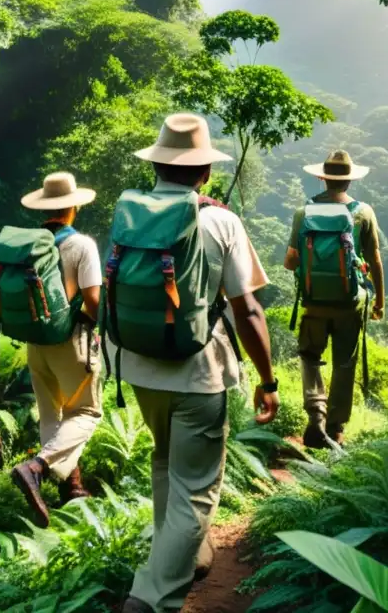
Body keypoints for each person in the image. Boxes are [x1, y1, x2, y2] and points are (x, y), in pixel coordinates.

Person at [113, 113, 278, 613]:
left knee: (165, 461)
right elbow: (247, 308)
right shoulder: (220, 219)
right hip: (198, 374)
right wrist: (267, 380)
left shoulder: (130, 213)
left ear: (158, 166)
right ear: (205, 171)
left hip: (139, 367)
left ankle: (182, 556)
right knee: (196, 491)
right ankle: (151, 597)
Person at [10, 172, 103, 528]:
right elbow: (93, 300)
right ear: (74, 206)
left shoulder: (27, 247)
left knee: (51, 415)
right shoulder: (81, 245)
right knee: (88, 412)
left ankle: (71, 489)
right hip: (71, 342)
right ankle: (36, 468)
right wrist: (108, 330)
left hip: (36, 344)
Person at [284, 150, 385, 448]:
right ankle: (335, 427)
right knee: (344, 362)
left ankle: (315, 416)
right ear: (350, 181)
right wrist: (379, 301)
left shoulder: (304, 212)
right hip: (349, 303)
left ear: (322, 177)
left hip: (313, 301)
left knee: (310, 357)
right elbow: (375, 260)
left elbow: (289, 262)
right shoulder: (363, 212)